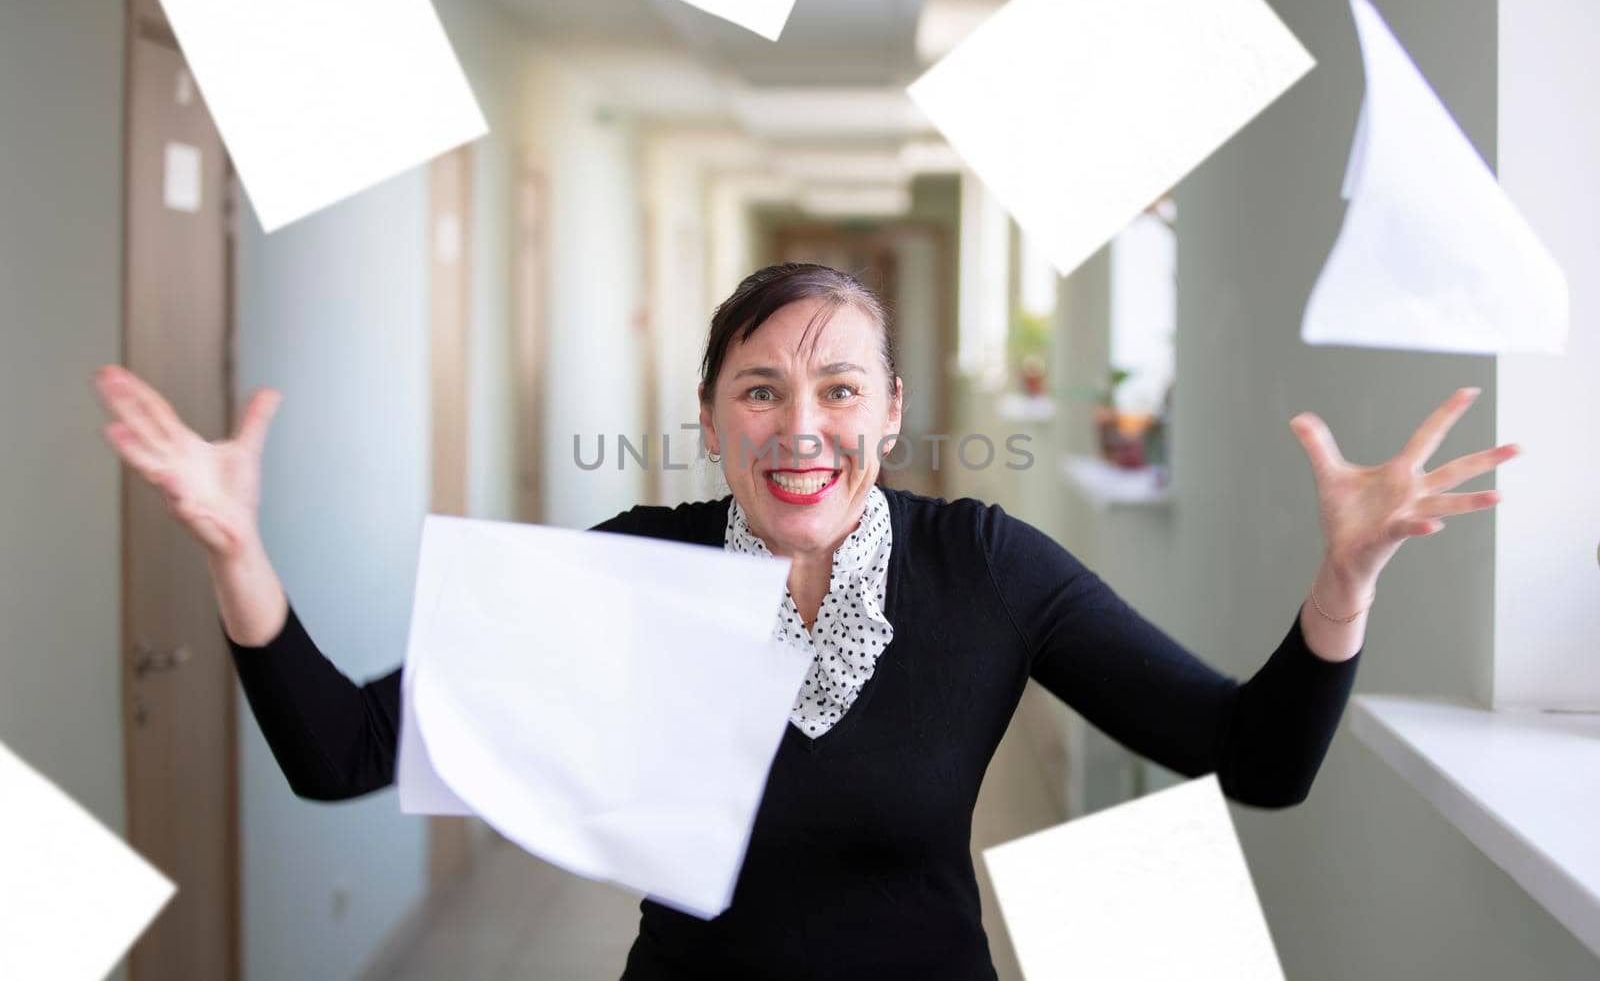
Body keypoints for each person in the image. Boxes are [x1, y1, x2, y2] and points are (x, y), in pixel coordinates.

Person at [92, 261, 1517, 980]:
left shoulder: (987, 569)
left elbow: (1254, 757)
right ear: (711, 417)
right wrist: (236, 550)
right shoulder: (635, 567)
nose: (801, 425)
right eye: (760, 388)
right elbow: (340, 749)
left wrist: (1344, 587)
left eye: (841, 387)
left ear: (891, 416)